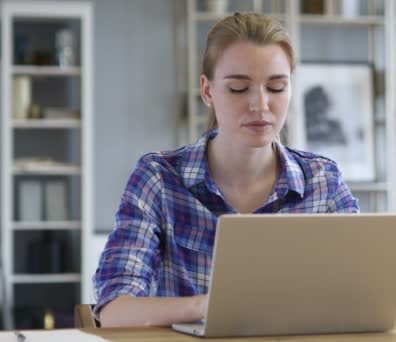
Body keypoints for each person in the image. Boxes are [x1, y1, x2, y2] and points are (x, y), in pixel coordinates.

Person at [93, 12, 359, 327]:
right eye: (238, 89)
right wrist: (212, 306)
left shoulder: (322, 182)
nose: (260, 105)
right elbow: (114, 310)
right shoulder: (159, 179)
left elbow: (359, 298)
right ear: (208, 91)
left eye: (275, 87)